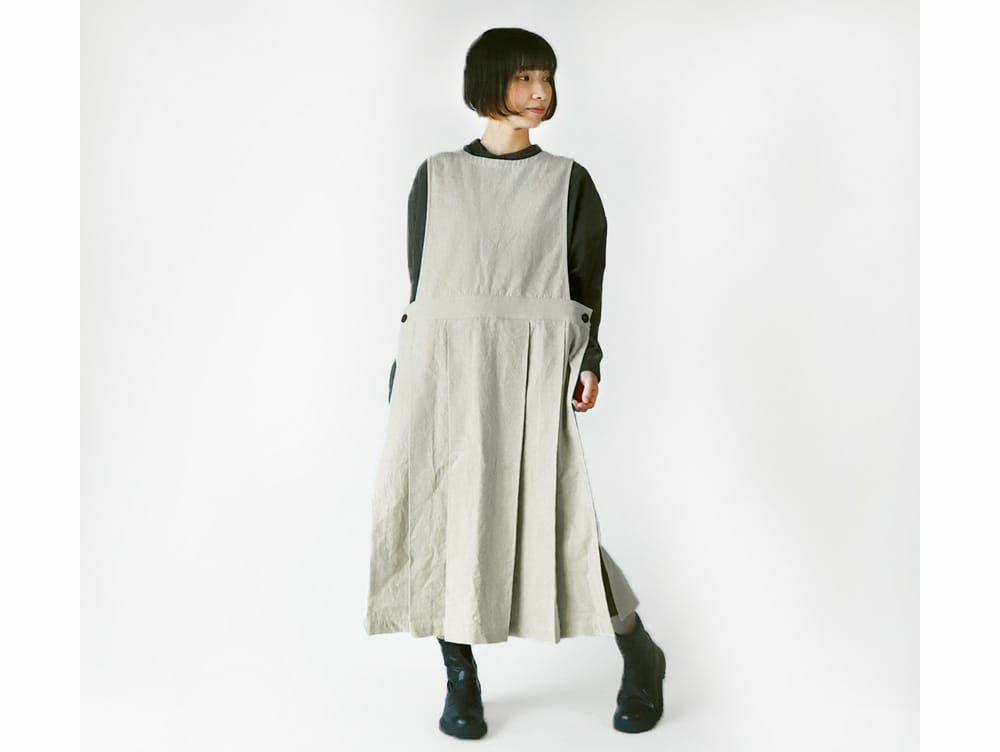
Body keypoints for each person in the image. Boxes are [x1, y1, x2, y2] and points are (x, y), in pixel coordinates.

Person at [364, 27, 666, 738]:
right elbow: (422, 282)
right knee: (441, 511)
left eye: (547, 79)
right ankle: (460, 677)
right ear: (488, 83)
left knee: (553, 517)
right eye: (525, 77)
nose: (540, 92)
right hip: (441, 365)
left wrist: (590, 359)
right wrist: (407, 370)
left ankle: (637, 647)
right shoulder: (436, 175)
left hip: (530, 364)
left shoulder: (568, 181)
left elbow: (586, 282)